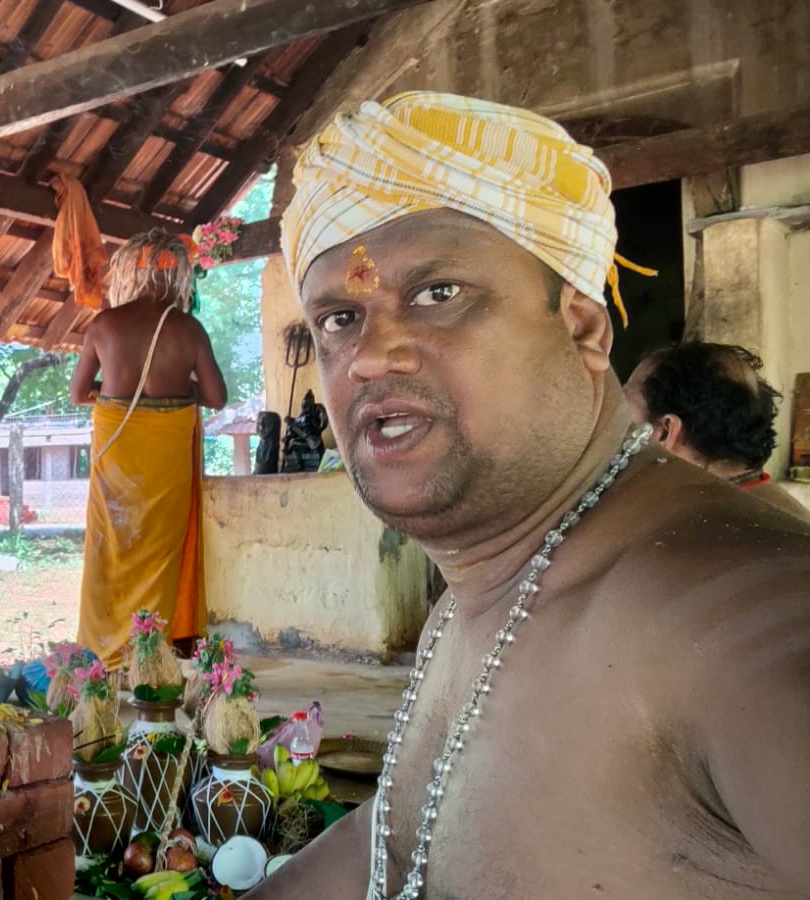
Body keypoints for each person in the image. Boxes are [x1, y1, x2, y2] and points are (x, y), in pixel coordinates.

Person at [251, 91, 810, 899]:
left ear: (582, 326)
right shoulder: (482, 591)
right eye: (339, 318)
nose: (369, 356)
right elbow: (400, 842)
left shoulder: (733, 615)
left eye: (438, 294)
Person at [69, 229, 227, 666]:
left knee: (110, 549)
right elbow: (216, 398)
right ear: (177, 275)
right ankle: (151, 655)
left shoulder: (103, 325)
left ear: (129, 273)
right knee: (161, 552)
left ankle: (105, 653)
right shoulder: (189, 329)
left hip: (116, 455)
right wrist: (180, 392)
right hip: (166, 460)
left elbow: (78, 394)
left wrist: (116, 395)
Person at [625, 342, 807, 519]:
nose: (616, 417)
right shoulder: (765, 509)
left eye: (623, 406)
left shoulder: (691, 527)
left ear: (666, 432)